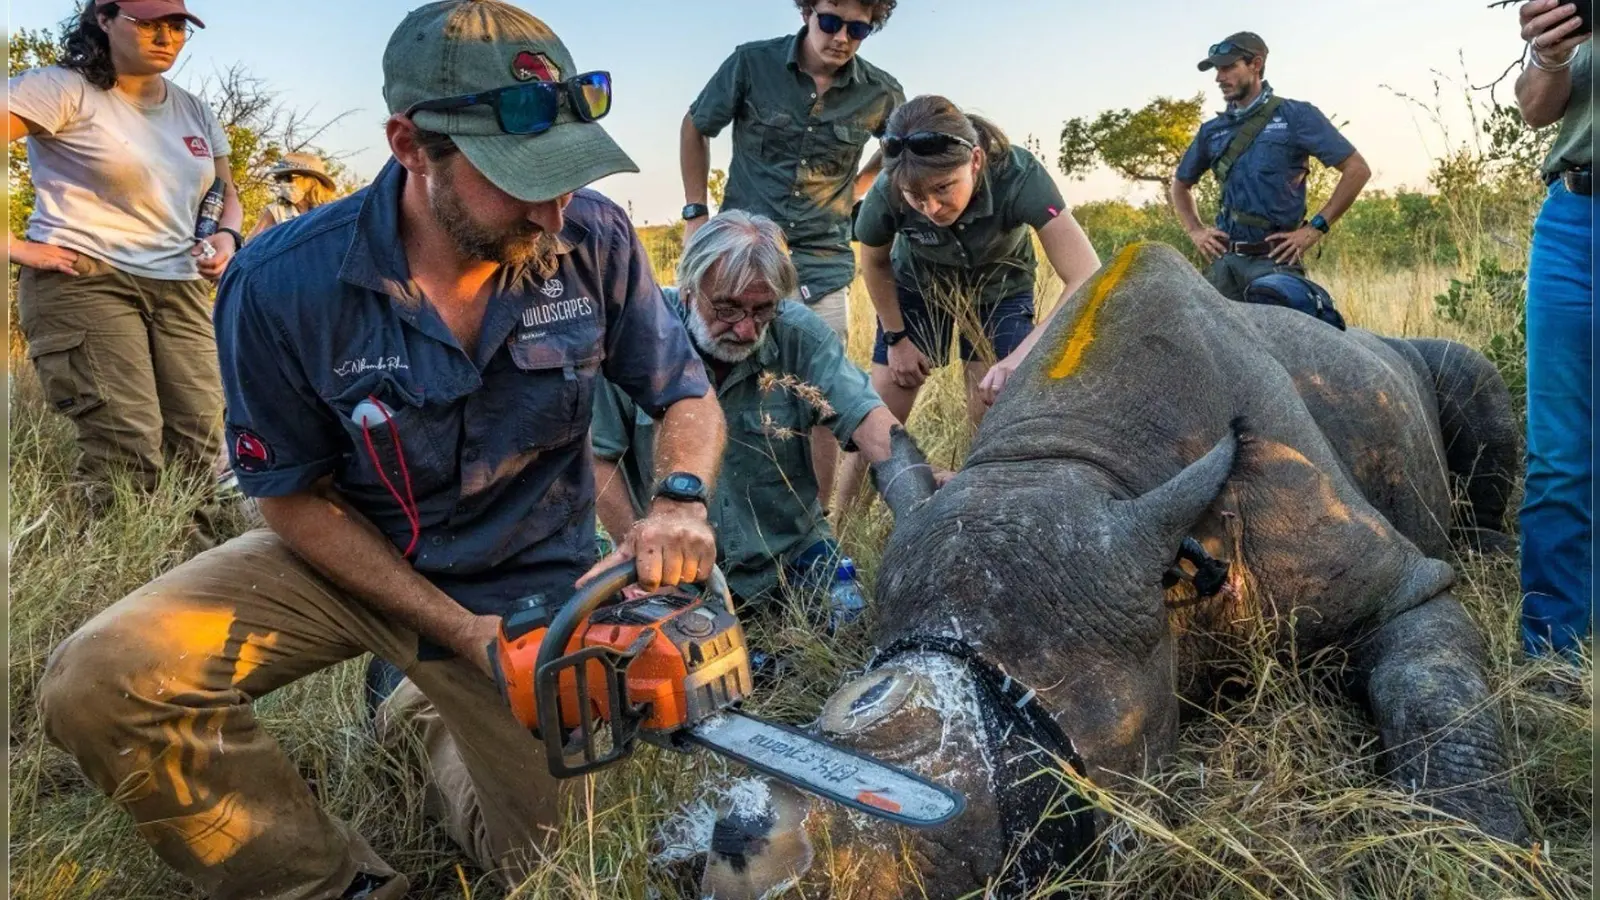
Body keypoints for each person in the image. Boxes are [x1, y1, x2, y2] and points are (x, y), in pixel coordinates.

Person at [36, 4, 725, 898]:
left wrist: (677, 500)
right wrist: (456, 634)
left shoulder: (594, 239)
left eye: (567, 176)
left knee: (568, 872)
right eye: (520, 181)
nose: (552, 209)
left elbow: (685, 393)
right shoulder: (282, 282)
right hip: (347, 562)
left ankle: (415, 715)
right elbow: (288, 497)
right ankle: (333, 885)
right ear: (410, 146)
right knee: (103, 680)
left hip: (528, 586)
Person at [593, 210, 904, 623]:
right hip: (679, 565)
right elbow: (599, 460)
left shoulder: (800, 335)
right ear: (688, 290)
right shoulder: (637, 338)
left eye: (762, 311)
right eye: (728, 309)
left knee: (853, 630)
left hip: (792, 551)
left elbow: (867, 418)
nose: (746, 331)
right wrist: (644, 555)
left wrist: (916, 481)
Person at [7, 0, 242, 531]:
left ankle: (189, 563)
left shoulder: (194, 110)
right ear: (104, 20)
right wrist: (12, 245)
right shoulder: (61, 88)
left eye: (176, 25)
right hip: (86, 279)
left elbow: (225, 192)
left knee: (202, 440)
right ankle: (123, 567)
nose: (166, 37)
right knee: (127, 443)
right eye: (148, 23)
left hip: (180, 286)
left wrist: (227, 236)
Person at [681, 0, 904, 508]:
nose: (841, 38)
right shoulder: (751, 64)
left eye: (858, 29)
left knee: (820, 401)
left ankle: (816, 520)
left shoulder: (882, 92)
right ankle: (714, 509)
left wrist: (856, 188)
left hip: (822, 264)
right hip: (744, 264)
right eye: (830, 21)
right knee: (719, 386)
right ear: (807, 11)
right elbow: (695, 126)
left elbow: (898, 149)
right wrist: (696, 213)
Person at [834, 95, 1100, 507]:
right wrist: (896, 338)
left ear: (975, 160)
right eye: (915, 196)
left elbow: (1085, 272)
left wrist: (1018, 358)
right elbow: (874, 261)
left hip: (999, 288)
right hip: (918, 286)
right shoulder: (887, 189)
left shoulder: (1018, 173)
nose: (931, 207)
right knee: (880, 415)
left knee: (993, 408)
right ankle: (841, 525)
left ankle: (982, 513)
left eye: (943, 188)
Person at [1169, 32, 1372, 302]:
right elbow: (1181, 186)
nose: (1219, 78)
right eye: (1217, 70)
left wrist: (1314, 229)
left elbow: (1357, 170)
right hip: (1225, 265)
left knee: (1286, 328)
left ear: (1256, 64)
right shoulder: (1212, 130)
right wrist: (1195, 230)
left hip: (1275, 263)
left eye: (1228, 67)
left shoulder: (1296, 116)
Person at [1513, 0, 1592, 658]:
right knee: (1559, 452)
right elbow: (1535, 109)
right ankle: (1552, 654)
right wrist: (1550, 54)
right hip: (1575, 219)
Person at [247, 151, 339, 238]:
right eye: (279, 178)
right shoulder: (277, 211)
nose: (282, 183)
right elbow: (250, 245)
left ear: (311, 181)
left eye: (288, 177)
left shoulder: (330, 213)